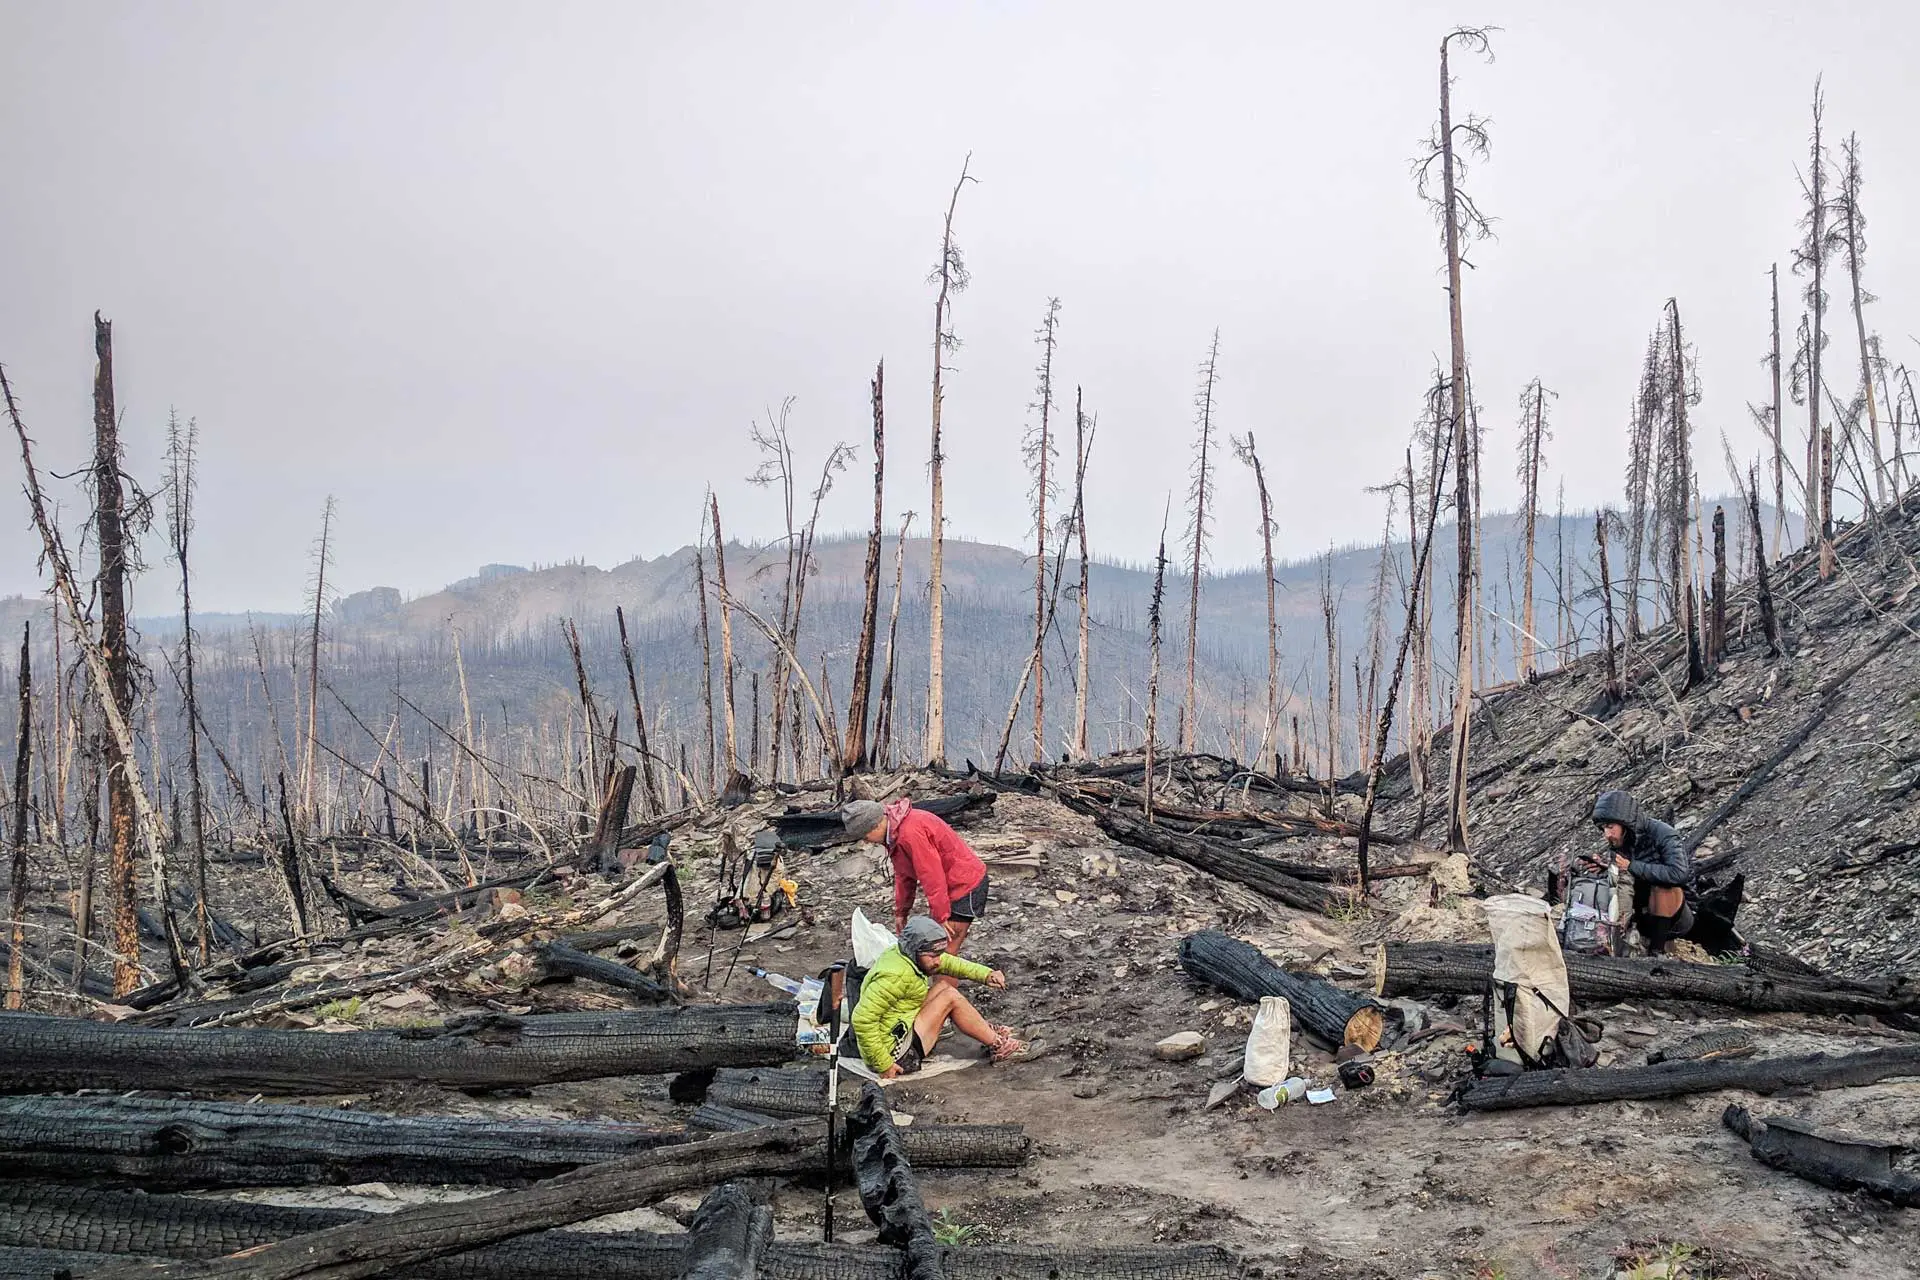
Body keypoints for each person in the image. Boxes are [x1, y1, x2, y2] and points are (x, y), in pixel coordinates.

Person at [842, 797, 989, 988]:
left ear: (876, 825)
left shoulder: (910, 833)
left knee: (942, 954)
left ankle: (944, 1006)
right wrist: (901, 912)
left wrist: (941, 916)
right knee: (936, 949)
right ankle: (940, 1001)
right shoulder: (893, 833)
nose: (866, 841)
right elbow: (904, 875)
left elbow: (931, 875)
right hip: (949, 888)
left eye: (865, 836)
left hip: (965, 885)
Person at [851, 916, 1024, 1077]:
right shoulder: (894, 977)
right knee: (949, 997)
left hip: (898, 1027)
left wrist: (986, 974)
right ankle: (1000, 1046)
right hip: (896, 1054)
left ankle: (983, 1030)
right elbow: (862, 1019)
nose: (938, 961)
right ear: (915, 950)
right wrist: (884, 1064)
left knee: (943, 986)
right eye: (933, 956)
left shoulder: (904, 954)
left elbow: (949, 962)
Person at [1589, 789, 1694, 955]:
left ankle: (1657, 952)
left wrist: (1631, 866)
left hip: (1674, 918)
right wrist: (1606, 869)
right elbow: (1625, 880)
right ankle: (1612, 941)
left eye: (1610, 827)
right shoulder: (1619, 843)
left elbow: (1678, 873)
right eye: (1603, 829)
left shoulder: (1663, 833)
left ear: (1625, 823)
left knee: (1663, 888)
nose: (1607, 834)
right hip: (1639, 914)